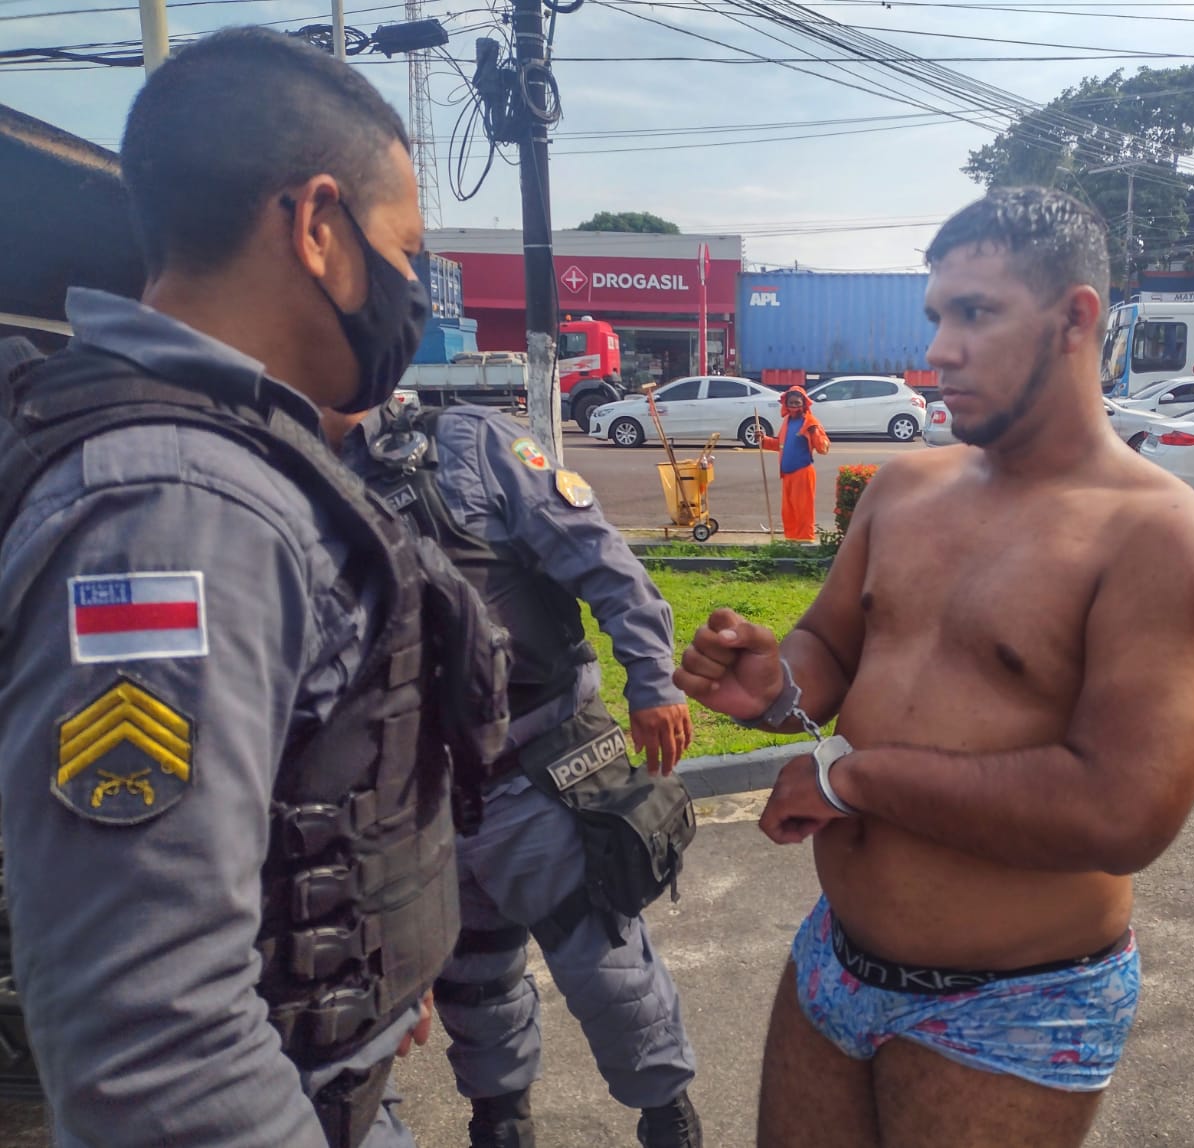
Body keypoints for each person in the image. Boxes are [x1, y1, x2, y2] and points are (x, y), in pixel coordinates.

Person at [675, 186, 1194, 1148]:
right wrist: (778, 688)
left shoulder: (1162, 538)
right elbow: (829, 648)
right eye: (938, 316)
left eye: (976, 313)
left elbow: (1122, 813)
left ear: (1076, 318)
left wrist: (853, 777)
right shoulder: (906, 486)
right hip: (834, 964)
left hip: (1013, 1007)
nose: (939, 349)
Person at [0, 28, 470, 1147]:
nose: (412, 286)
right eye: (404, 247)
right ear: (316, 227)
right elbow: (156, 1050)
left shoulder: (232, 459)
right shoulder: (177, 507)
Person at [322, 396, 703, 1148]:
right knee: (474, 981)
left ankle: (668, 1118)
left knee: (604, 964)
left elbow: (604, 561)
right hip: (418, 801)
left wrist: (653, 685)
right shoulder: (295, 476)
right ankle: (501, 1123)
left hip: (537, 766)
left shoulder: (464, 443)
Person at [760, 385, 830, 542]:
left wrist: (813, 432)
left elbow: (823, 448)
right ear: (786, 404)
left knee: (803, 511)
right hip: (787, 475)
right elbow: (781, 444)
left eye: (797, 403)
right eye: (791, 403)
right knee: (789, 511)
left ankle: (805, 543)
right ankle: (791, 541)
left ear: (804, 404)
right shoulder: (787, 422)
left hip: (803, 472)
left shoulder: (811, 422)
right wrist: (763, 440)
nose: (794, 406)